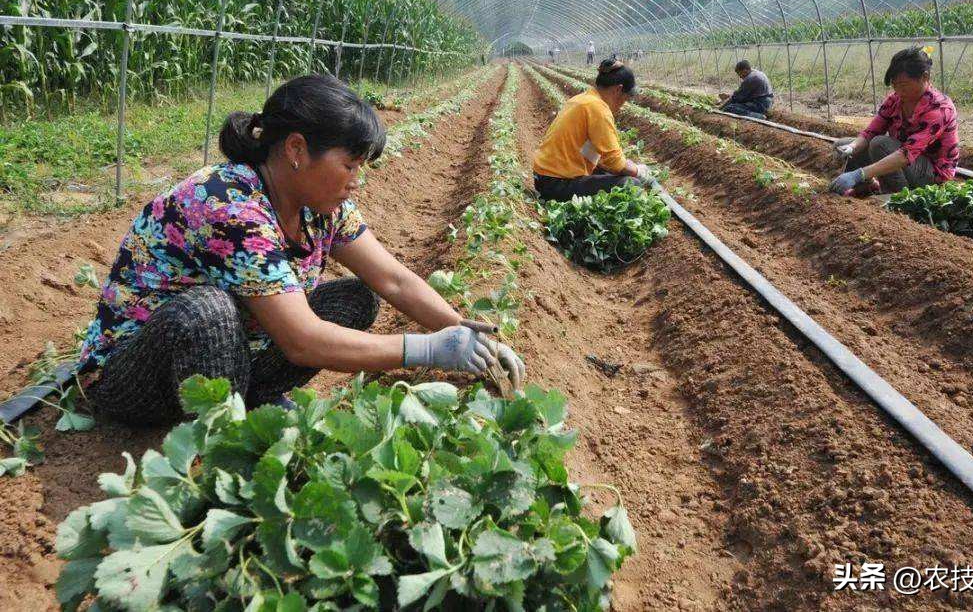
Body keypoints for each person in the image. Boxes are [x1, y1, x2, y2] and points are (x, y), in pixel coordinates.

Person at [77, 74, 525, 426]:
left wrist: (469, 334)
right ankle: (222, 434)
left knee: (356, 297)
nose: (357, 179)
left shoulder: (323, 208)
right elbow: (302, 340)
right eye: (349, 165)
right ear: (296, 150)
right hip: (138, 375)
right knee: (208, 313)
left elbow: (393, 279)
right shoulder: (227, 204)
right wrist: (427, 350)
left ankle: (252, 400)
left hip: (232, 354)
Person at [829, 46, 959, 195]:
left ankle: (897, 196)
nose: (898, 90)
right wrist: (852, 147)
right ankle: (867, 187)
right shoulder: (895, 101)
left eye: (903, 85)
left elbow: (906, 155)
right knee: (843, 145)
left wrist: (859, 173)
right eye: (895, 85)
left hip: (932, 175)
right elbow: (871, 131)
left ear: (925, 77)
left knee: (880, 144)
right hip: (904, 160)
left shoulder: (940, 109)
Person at [532, 58, 652, 202]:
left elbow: (593, 152)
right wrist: (638, 171)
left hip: (543, 178)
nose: (622, 105)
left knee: (608, 172)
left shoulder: (582, 99)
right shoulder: (598, 109)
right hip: (556, 184)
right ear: (618, 89)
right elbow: (615, 162)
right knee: (630, 184)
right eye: (625, 99)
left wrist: (624, 165)